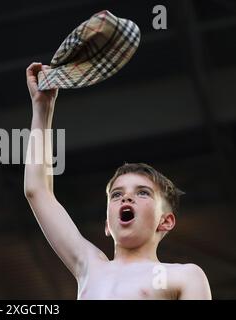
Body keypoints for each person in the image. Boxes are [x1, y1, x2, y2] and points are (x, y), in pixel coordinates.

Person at [23, 62, 212, 300]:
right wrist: (42, 107)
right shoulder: (90, 267)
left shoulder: (184, 276)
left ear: (165, 221)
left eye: (143, 192)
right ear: (106, 224)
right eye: (116, 194)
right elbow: (37, 191)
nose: (127, 196)